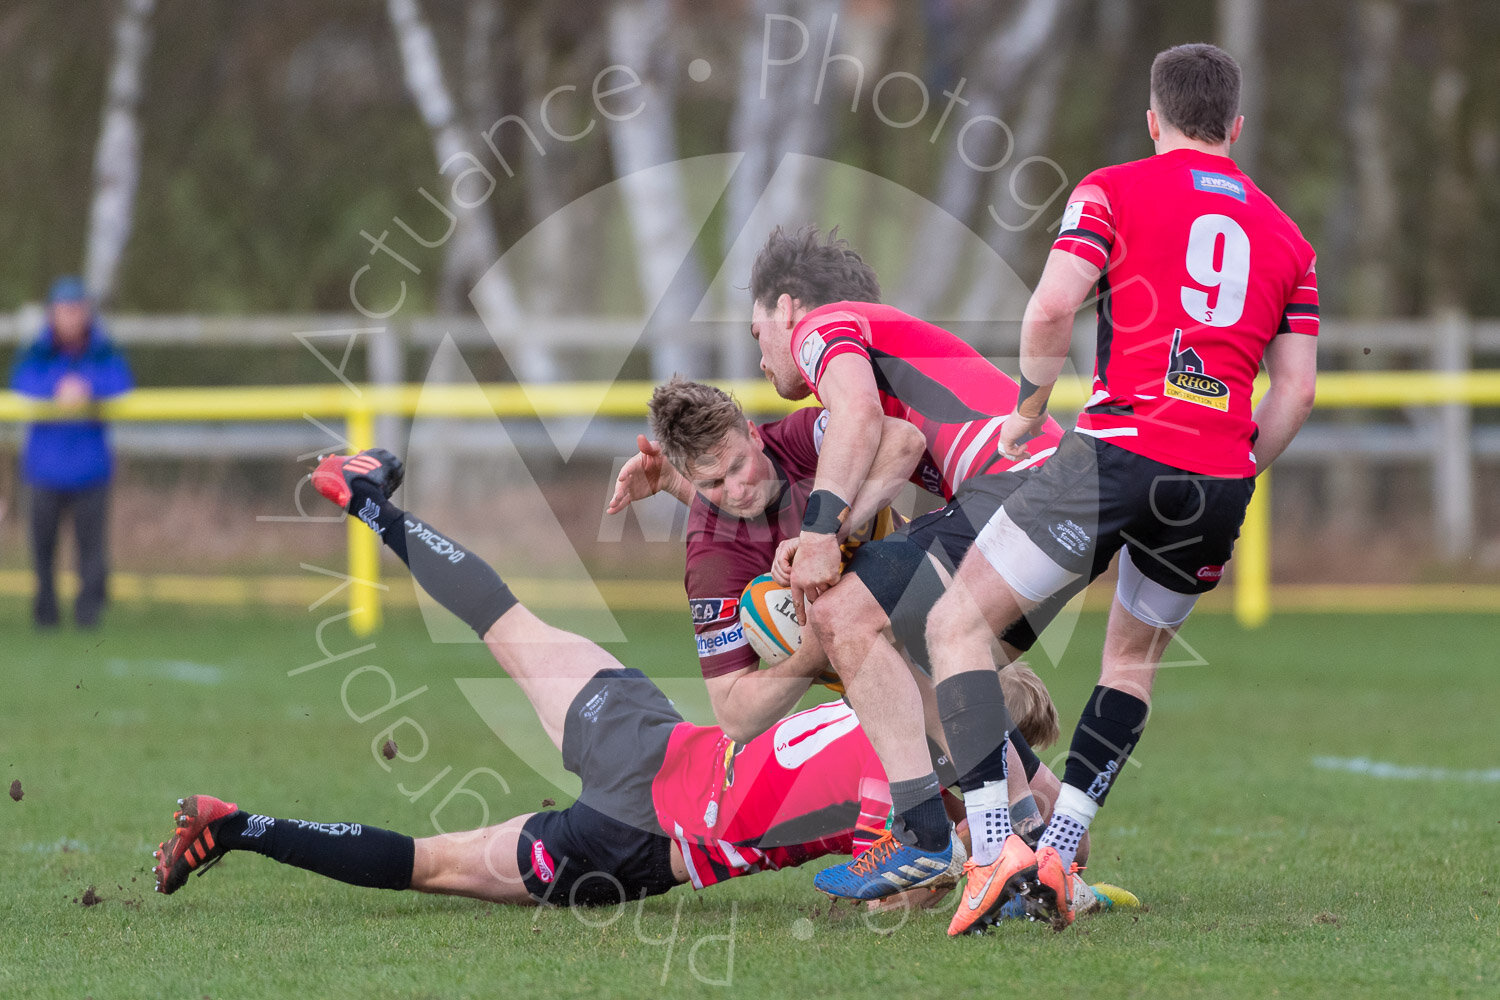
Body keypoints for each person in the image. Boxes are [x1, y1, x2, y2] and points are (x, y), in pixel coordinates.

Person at [152, 447, 1096, 918]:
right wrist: (1049, 873)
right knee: (429, 864)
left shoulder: (885, 700)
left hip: (646, 735)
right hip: (637, 844)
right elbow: (921, 876)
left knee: (502, 618)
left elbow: (1013, 775)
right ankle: (237, 827)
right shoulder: (922, 783)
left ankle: (364, 497)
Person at [897, 42, 1319, 931]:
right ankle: (1057, 853)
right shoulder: (1289, 239)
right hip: (1214, 480)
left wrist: (1027, 410)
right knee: (1129, 664)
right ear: (1236, 126)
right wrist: (1233, 468)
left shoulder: (1112, 189)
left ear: (1154, 119)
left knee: (954, 625)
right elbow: (1297, 393)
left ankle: (992, 848)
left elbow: (1054, 305)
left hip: (1115, 456)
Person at [743, 226, 1084, 931]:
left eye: (757, 333)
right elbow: (903, 442)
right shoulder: (879, 345)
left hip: (1017, 487)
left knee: (839, 615)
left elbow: (859, 416)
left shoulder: (821, 327)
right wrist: (834, 533)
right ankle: (1031, 836)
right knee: (924, 660)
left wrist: (818, 536)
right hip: (1063, 509)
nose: (762, 355)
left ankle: (923, 834)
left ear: (787, 307)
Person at [8, 276, 134, 628]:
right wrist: (57, 387)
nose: (71, 318)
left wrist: (87, 387)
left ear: (87, 314)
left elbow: (121, 382)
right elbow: (21, 382)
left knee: (91, 552)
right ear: (52, 314)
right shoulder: (36, 351)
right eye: (64, 310)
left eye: (77, 310)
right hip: (44, 470)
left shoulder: (103, 350)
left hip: (90, 469)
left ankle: (88, 616)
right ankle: (45, 614)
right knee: (42, 550)